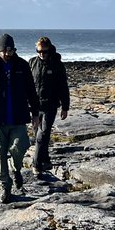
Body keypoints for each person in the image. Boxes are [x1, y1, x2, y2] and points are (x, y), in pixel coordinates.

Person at [0, 33, 40, 203]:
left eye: (10, 50)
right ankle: (5, 186)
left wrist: (35, 114)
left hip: (18, 118)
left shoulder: (22, 66)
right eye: (4, 50)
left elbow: (31, 92)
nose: (7, 53)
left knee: (20, 147)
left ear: (14, 49)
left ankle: (16, 167)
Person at [28, 36, 70, 175]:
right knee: (39, 136)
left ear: (50, 50)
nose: (41, 54)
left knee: (43, 134)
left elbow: (63, 86)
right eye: (38, 51)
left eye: (44, 51)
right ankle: (45, 160)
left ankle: (36, 165)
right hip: (34, 106)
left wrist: (65, 107)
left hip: (50, 105)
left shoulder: (57, 65)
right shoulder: (32, 63)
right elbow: (26, 86)